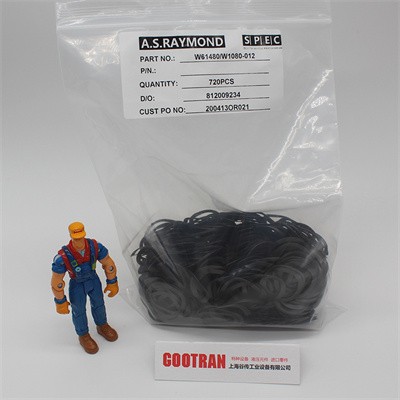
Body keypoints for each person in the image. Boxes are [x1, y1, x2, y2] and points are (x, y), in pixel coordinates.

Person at [51, 222, 119, 354]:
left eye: (81, 237)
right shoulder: (62, 256)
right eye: (76, 239)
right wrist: (60, 301)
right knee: (79, 310)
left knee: (99, 303)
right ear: (71, 236)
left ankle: (102, 325)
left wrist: (112, 282)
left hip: (93, 280)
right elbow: (57, 280)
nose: (79, 241)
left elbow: (108, 263)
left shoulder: (95, 247)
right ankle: (83, 335)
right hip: (77, 284)